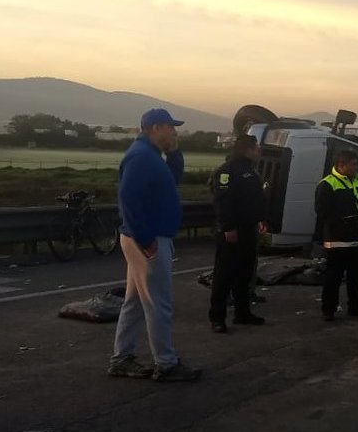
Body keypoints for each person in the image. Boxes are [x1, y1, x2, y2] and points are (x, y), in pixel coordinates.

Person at [109, 108, 202, 382]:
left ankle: (121, 358)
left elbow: (172, 181)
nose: (175, 131)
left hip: (143, 238)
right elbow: (128, 200)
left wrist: (174, 153)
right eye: (170, 127)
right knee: (158, 303)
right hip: (147, 240)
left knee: (136, 302)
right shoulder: (141, 157)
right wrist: (146, 240)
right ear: (155, 128)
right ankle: (166, 363)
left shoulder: (151, 156)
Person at [207, 134, 268, 333]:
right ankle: (217, 318)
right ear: (247, 150)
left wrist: (260, 219)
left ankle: (243, 313)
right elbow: (223, 202)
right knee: (224, 275)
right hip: (233, 231)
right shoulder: (227, 171)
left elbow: (254, 199)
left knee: (244, 273)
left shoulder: (251, 170)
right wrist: (228, 228)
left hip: (249, 228)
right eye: (256, 148)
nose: (259, 151)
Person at [314, 151, 358, 321]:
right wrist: (343, 219)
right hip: (337, 241)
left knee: (356, 277)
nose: (356, 168)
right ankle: (329, 309)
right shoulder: (327, 184)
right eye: (353, 165)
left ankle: (356, 306)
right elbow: (321, 211)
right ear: (341, 165)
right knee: (333, 277)